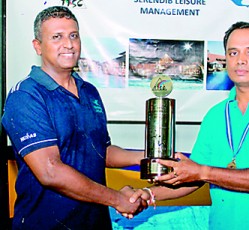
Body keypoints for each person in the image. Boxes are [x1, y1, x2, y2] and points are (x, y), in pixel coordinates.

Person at [131, 21, 249, 229]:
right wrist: (147, 195)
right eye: (233, 53)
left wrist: (202, 172)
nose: (241, 60)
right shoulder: (216, 115)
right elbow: (193, 178)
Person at [2, 6, 148, 230]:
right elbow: (50, 171)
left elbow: (101, 152)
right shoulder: (25, 96)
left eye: (73, 35)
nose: (68, 44)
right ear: (38, 46)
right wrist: (118, 199)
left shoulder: (89, 91)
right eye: (57, 37)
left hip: (95, 222)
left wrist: (148, 157)